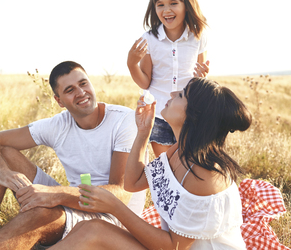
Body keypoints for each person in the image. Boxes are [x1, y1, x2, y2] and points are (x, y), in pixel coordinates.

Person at [0, 61, 145, 250]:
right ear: (59, 101)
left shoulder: (123, 121)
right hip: (75, 204)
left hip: (114, 219)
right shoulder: (59, 124)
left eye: (83, 83)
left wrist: (54, 195)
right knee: (1, 156)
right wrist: (1, 172)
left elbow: (121, 193)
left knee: (40, 214)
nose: (81, 92)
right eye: (70, 90)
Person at [50, 77, 252, 250]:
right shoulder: (180, 150)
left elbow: (174, 246)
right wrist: (143, 133)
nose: (172, 94)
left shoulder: (206, 175)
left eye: (181, 95)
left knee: (92, 231)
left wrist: (115, 206)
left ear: (194, 116)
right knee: (89, 228)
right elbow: (134, 182)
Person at [127, 0, 211, 158]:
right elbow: (145, 81)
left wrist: (202, 77)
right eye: (160, 4)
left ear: (187, 5)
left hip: (188, 111)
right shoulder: (149, 39)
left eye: (173, 3)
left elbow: (199, 75)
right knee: (166, 164)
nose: (166, 10)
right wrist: (131, 63)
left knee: (190, 161)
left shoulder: (198, 36)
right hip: (159, 114)